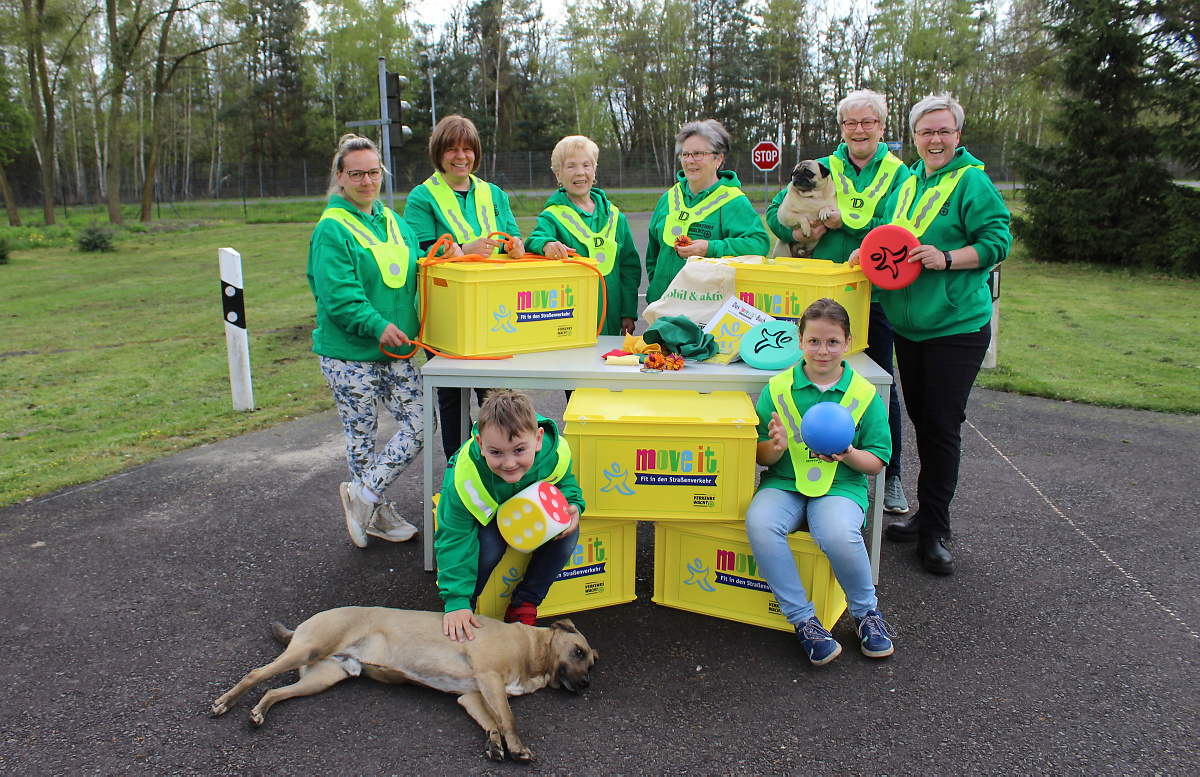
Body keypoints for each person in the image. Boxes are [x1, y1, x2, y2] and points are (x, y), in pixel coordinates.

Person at [849, 93, 1011, 575]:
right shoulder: (908, 184)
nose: (935, 139)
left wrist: (946, 258)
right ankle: (925, 518)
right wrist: (863, 251)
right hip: (908, 328)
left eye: (944, 131)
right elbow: (884, 233)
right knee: (922, 420)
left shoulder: (972, 182)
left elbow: (997, 240)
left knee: (940, 427)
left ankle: (936, 528)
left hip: (955, 327)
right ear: (914, 137)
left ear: (957, 136)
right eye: (926, 131)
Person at [766, 90, 912, 518]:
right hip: (821, 298)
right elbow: (777, 212)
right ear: (842, 128)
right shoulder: (821, 168)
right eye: (851, 123)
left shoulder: (900, 173)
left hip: (876, 293)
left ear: (882, 127)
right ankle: (792, 469)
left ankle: (891, 474)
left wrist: (857, 237)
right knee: (803, 378)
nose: (859, 130)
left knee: (880, 386)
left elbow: (902, 224)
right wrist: (799, 233)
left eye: (868, 122)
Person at [745, 298, 894, 666]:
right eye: (813, 341)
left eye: (832, 342)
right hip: (785, 482)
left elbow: (875, 463)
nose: (822, 350)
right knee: (760, 523)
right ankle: (804, 621)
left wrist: (848, 453)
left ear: (847, 343)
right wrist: (774, 447)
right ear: (799, 340)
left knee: (838, 533)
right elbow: (761, 456)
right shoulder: (778, 389)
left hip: (842, 486)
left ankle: (866, 614)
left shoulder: (864, 394)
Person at [307, 133, 426, 548]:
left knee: (420, 424)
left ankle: (363, 496)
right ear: (340, 177)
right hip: (350, 355)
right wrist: (376, 326)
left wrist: (462, 252)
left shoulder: (393, 221)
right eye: (356, 174)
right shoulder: (331, 229)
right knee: (362, 437)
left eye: (373, 172)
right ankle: (374, 510)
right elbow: (338, 295)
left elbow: (419, 266)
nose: (366, 181)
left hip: (398, 350)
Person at [404, 115, 526, 460]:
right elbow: (421, 253)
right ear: (438, 153)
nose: (461, 156)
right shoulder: (422, 197)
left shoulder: (493, 193)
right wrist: (461, 250)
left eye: (468, 149)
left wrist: (516, 247)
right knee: (453, 399)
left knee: (498, 399)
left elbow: (512, 236)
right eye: (452, 149)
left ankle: (500, 471)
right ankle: (459, 476)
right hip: (448, 319)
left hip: (495, 314)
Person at [435, 389, 584, 640]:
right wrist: (456, 601)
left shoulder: (551, 453)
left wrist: (573, 504)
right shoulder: (465, 478)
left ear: (537, 439)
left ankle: (525, 603)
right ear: (481, 444)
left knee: (567, 526)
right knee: (491, 546)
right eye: (496, 453)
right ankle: (467, 606)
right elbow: (453, 536)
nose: (509, 463)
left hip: (523, 510)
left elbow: (565, 481)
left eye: (518, 450)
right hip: (489, 518)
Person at [645, 119, 771, 304]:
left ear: (718, 159)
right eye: (685, 154)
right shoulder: (669, 198)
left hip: (706, 312)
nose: (690, 161)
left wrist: (711, 248)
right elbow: (653, 252)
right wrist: (657, 285)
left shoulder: (733, 201)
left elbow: (758, 243)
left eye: (698, 154)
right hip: (662, 307)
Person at [527, 135, 642, 336]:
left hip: (612, 318)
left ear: (594, 170)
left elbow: (629, 268)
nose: (580, 172)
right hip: (570, 319)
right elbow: (535, 240)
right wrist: (546, 245)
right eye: (571, 166)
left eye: (586, 165)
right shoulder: (552, 216)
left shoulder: (616, 217)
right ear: (558, 174)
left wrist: (628, 312)